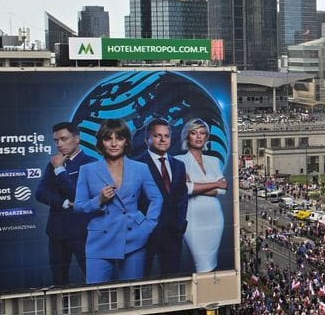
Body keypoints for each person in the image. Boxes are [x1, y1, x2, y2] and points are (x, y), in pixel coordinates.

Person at [74, 119, 162, 284]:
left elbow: (157, 198)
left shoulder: (140, 168)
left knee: (132, 294)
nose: (114, 144)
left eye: (119, 138)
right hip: (100, 239)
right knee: (95, 294)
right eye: (108, 139)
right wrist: (98, 200)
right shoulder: (87, 170)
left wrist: (147, 225)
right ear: (101, 142)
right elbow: (78, 206)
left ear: (126, 141)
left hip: (134, 237)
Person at [35, 121, 90, 285]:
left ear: (77, 139)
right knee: (59, 282)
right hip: (57, 232)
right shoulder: (52, 163)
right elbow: (40, 193)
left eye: (64, 139)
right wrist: (65, 203)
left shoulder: (91, 163)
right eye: (56, 141)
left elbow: (78, 195)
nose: (59, 144)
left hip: (83, 233)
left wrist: (60, 170)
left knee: (94, 279)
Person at [139, 118, 190, 277]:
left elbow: (182, 197)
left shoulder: (179, 165)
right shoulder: (137, 165)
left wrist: (180, 223)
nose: (163, 140)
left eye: (166, 136)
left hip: (173, 232)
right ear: (147, 139)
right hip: (146, 233)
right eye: (157, 136)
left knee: (172, 277)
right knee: (141, 276)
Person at [181, 119, 229, 272]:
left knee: (212, 263)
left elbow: (224, 189)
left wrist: (197, 186)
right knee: (202, 264)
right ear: (187, 136)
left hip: (215, 217)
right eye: (194, 133)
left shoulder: (214, 161)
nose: (198, 137)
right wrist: (215, 184)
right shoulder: (179, 161)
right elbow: (186, 189)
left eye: (202, 133)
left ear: (207, 137)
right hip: (193, 218)